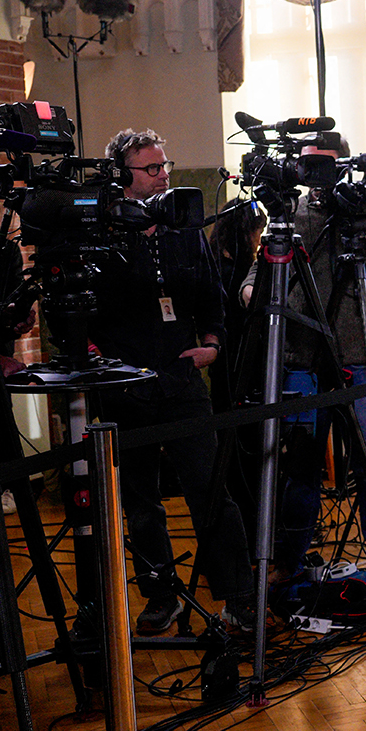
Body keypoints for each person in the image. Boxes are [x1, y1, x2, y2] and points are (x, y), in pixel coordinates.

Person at [92, 128, 255, 635]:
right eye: (153, 169)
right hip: (124, 386)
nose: (165, 176)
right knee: (140, 502)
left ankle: (238, 596)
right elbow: (82, 311)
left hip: (183, 380)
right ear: (124, 175)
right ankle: (161, 596)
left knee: (209, 491)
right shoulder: (99, 230)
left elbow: (212, 296)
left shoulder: (182, 225)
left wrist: (211, 343)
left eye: (166, 166)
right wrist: (98, 357)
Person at [240, 131, 366, 574]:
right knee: (300, 472)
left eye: (326, 165)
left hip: (359, 358)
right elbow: (254, 277)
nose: (316, 175)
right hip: (302, 361)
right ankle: (289, 567)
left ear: (345, 165)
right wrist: (252, 293)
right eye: (308, 165)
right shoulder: (287, 214)